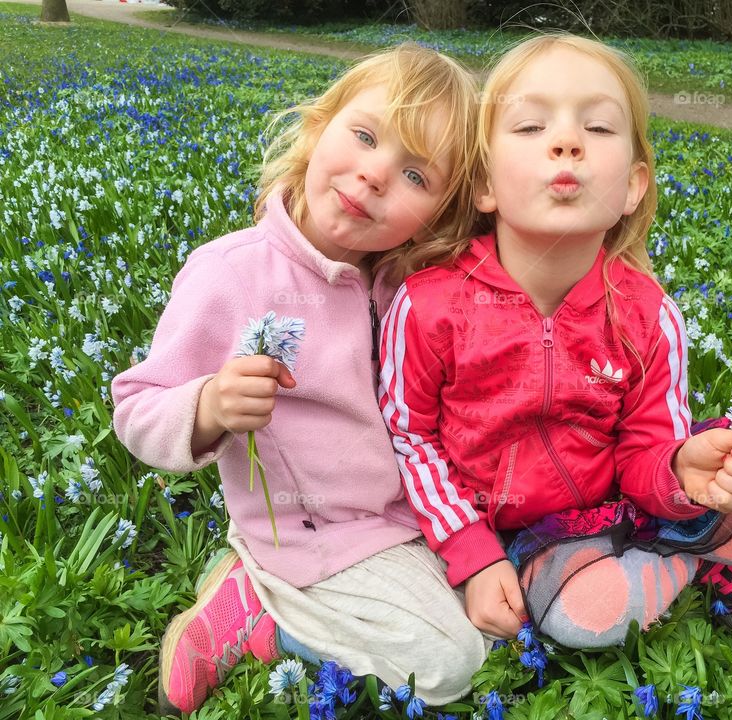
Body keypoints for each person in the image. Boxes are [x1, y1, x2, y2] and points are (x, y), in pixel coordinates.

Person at [378, 34, 732, 649]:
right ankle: (699, 557)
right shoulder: (428, 306)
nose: (567, 141)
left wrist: (683, 470)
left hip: (630, 503)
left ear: (632, 186)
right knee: (586, 618)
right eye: (530, 125)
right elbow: (410, 441)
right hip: (530, 537)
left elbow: (647, 454)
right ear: (483, 185)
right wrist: (471, 552)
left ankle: (690, 534)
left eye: (599, 128)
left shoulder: (646, 314)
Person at [112, 44, 487, 714]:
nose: (374, 175)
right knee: (451, 665)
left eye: (415, 176)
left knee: (498, 612)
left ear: (440, 214)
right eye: (366, 136)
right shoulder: (234, 271)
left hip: (401, 520)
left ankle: (294, 601)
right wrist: (209, 405)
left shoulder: (402, 282)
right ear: (318, 126)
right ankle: (258, 610)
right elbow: (137, 407)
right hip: (308, 537)